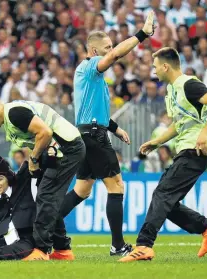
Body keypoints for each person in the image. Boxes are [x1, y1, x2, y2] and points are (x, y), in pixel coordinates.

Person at [59, 11, 155, 256]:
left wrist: (115, 128)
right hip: (93, 135)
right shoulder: (91, 66)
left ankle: (42, 224)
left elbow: (91, 111)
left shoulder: (90, 76)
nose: (112, 50)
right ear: (93, 51)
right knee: (116, 187)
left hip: (86, 133)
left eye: (112, 46)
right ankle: (117, 245)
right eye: (107, 47)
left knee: (82, 190)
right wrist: (142, 34)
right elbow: (116, 55)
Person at [119, 47, 207, 263]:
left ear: (166, 66)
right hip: (186, 151)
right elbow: (180, 123)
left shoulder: (189, 84)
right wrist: (157, 142)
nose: (154, 70)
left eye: (155, 66)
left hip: (195, 151)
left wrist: (204, 134)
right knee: (166, 201)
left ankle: (144, 245)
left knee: (162, 196)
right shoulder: (173, 90)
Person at [0, 96, 85, 261]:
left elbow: (45, 132)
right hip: (56, 152)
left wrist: (33, 159)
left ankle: (41, 250)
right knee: (46, 195)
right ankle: (62, 250)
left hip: (67, 149)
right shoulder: (12, 115)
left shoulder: (14, 114)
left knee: (46, 196)